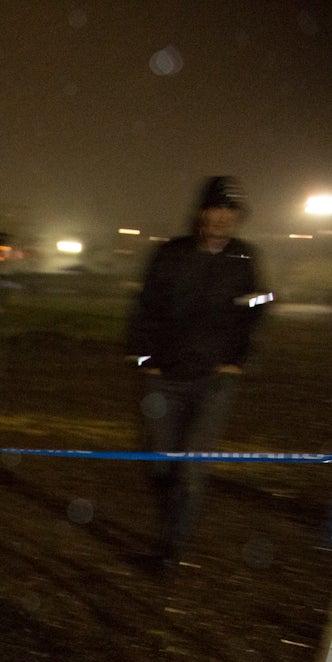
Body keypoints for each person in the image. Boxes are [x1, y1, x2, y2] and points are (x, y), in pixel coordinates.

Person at [126, 175, 270, 569]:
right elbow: (144, 307)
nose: (222, 218)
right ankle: (168, 528)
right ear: (202, 213)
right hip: (164, 379)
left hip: (214, 383)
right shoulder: (169, 255)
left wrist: (238, 360)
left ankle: (171, 550)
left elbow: (260, 305)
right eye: (216, 209)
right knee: (159, 464)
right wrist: (143, 360)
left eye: (230, 211)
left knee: (191, 470)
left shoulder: (244, 259)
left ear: (237, 218)